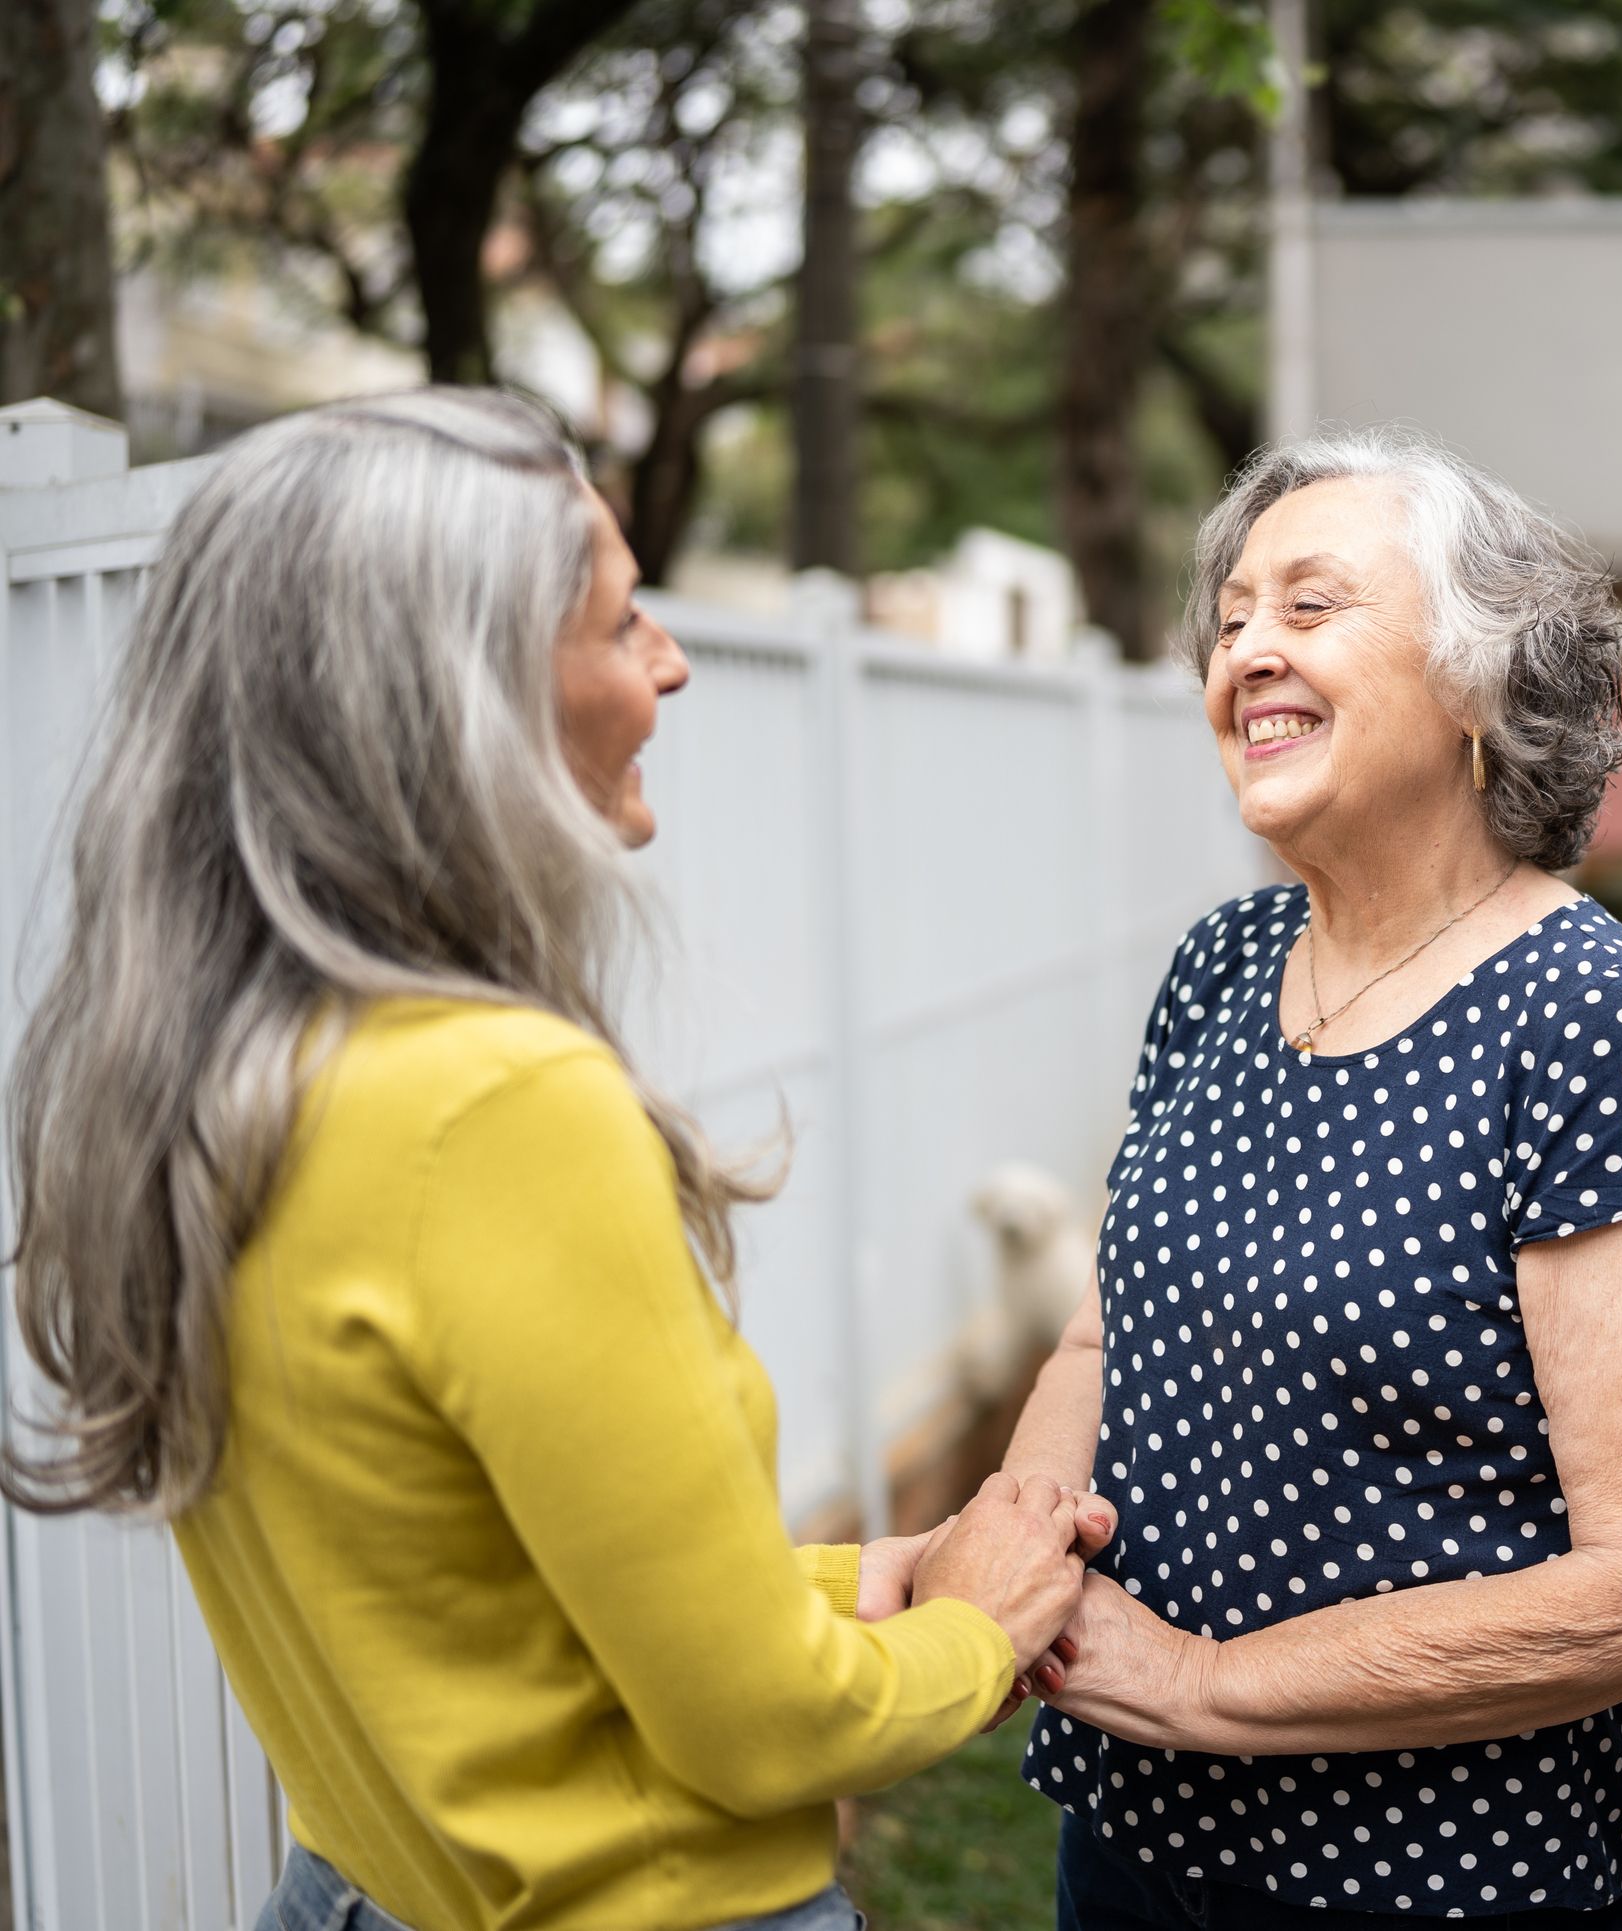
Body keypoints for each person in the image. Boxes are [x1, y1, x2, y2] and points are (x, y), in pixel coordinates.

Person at [1, 389, 1101, 1931]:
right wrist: (976, 1638)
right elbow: (755, 1726)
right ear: (464, 695)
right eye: (622, 617)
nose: (672, 659)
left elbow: (494, 1600)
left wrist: (868, 1581)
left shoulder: (204, 1084)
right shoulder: (499, 1107)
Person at [992, 425, 1622, 1928]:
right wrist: (1010, 1549)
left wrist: (1211, 1683)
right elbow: (1106, 1337)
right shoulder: (1222, 967)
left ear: (1479, 677)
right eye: (1230, 625)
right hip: (1140, 1830)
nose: (1247, 655)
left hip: (1429, 1879)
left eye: (1311, 607)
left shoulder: (1581, 1014)